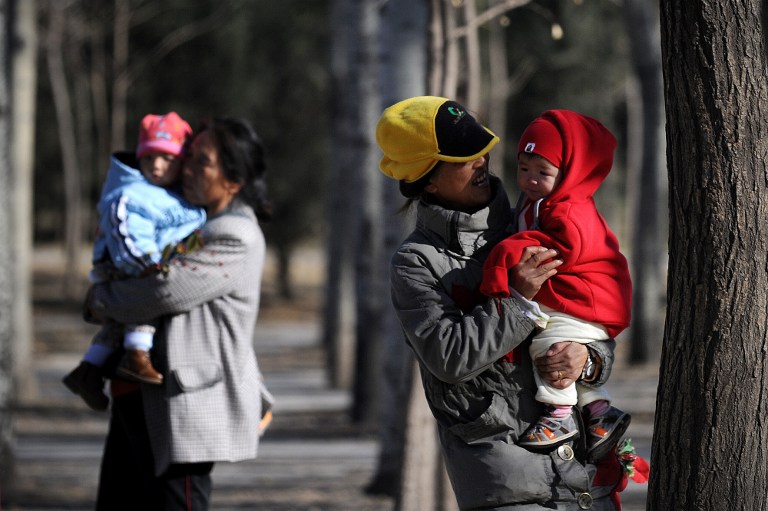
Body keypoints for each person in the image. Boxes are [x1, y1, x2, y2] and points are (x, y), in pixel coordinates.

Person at [376, 96, 624, 510]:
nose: (481, 161)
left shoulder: (535, 221)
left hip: (587, 474)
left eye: (480, 148)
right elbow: (448, 357)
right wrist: (517, 300)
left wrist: (589, 358)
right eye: (462, 157)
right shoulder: (417, 262)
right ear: (427, 180)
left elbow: (588, 310)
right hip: (508, 484)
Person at [84, 117, 274, 510]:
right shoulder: (189, 219)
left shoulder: (234, 235)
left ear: (233, 181)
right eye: (188, 156)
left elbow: (161, 291)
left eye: (202, 162)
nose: (185, 168)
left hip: (185, 405)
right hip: (138, 392)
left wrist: (99, 298)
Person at [479, 110, 632, 461]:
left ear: (569, 173)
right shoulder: (538, 203)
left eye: (543, 172)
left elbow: (564, 249)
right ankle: (599, 412)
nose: (530, 180)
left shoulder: (568, 209)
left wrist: (510, 249)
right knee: (559, 348)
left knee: (550, 349)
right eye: (524, 169)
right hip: (570, 301)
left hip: (585, 301)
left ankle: (560, 416)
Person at [63, 112, 206, 411]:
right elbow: (128, 234)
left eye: (167, 159)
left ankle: (89, 370)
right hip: (127, 264)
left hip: (148, 263)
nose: (156, 166)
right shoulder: (132, 194)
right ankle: (136, 357)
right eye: (149, 157)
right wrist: (146, 265)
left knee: (116, 326)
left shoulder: (174, 195)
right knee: (142, 304)